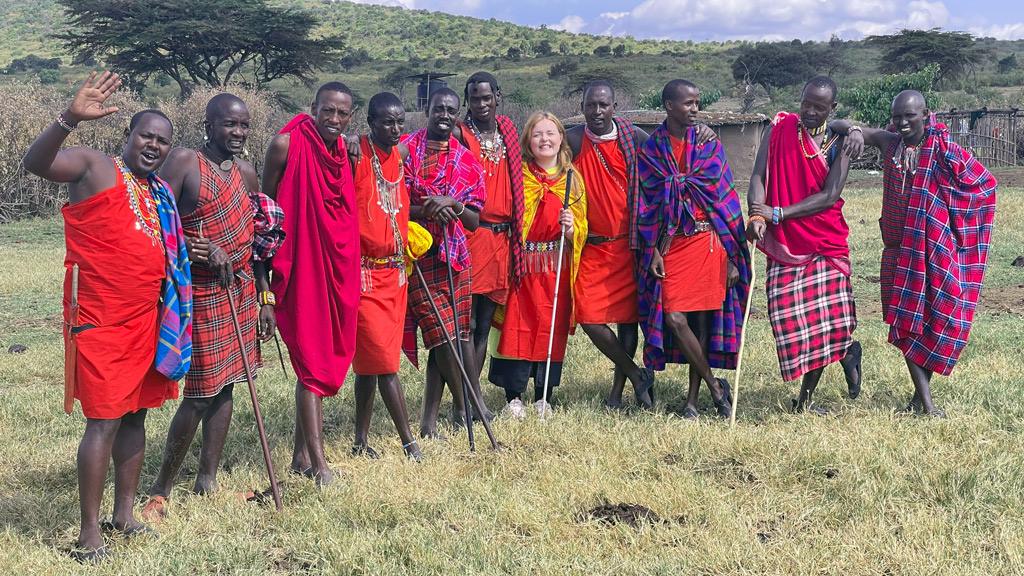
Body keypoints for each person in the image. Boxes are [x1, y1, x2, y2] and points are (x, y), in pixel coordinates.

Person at [23, 71, 191, 562]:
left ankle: (124, 515)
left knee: (136, 416)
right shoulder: (95, 167)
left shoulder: (157, 191)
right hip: (100, 322)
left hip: (148, 323)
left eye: (163, 141)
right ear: (127, 135)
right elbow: (36, 164)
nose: (154, 146)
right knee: (104, 422)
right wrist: (69, 118)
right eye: (146, 135)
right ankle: (89, 531)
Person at [142, 93, 283, 518]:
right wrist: (199, 249)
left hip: (240, 290)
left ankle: (207, 481)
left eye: (243, 126)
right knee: (201, 393)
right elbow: (155, 222)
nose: (238, 133)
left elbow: (258, 246)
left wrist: (265, 299)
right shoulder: (185, 162)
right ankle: (161, 487)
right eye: (229, 125)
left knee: (229, 384)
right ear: (209, 125)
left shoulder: (246, 173)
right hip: (200, 291)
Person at [834, 90, 997, 417]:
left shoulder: (944, 151)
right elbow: (840, 124)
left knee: (937, 320)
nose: (903, 122)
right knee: (908, 322)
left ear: (926, 114)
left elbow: (985, 185)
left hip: (935, 249)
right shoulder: (890, 142)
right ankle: (925, 401)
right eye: (897, 116)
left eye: (909, 115)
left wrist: (953, 225)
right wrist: (853, 131)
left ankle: (920, 395)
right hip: (897, 252)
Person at [262, 81, 360, 486]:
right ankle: (319, 465)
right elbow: (265, 207)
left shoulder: (343, 151)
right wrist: (264, 281)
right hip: (298, 264)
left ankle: (301, 457)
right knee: (310, 362)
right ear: (313, 109)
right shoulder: (285, 145)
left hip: (337, 265)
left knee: (320, 356)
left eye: (342, 114)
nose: (334, 120)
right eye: (328, 111)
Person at [635, 79, 751, 420]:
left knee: (702, 320)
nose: (695, 109)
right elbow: (646, 204)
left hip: (709, 241)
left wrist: (733, 256)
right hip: (672, 244)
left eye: (697, 103)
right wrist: (653, 250)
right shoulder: (653, 150)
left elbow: (724, 197)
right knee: (674, 317)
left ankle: (692, 401)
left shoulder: (707, 144)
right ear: (669, 106)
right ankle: (716, 386)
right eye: (688, 103)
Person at [746, 76, 862, 414]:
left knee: (825, 324)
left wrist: (777, 213)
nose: (810, 111)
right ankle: (848, 352)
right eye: (806, 103)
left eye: (819, 107)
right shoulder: (780, 128)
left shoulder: (842, 142)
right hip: (784, 243)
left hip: (824, 242)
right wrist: (756, 214)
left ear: (832, 109)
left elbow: (829, 196)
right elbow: (758, 175)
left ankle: (805, 401)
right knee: (791, 322)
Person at [489, 111, 588, 417]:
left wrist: (572, 227)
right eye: (537, 135)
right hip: (522, 265)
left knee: (550, 327)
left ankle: (544, 394)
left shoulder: (573, 178)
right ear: (528, 143)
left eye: (550, 133)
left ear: (561, 139)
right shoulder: (518, 177)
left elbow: (583, 224)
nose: (545, 140)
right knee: (516, 327)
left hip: (554, 266)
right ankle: (514, 396)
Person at [402, 88, 486, 438]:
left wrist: (452, 204)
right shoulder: (405, 149)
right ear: (428, 109)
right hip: (418, 254)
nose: (444, 116)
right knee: (442, 333)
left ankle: (428, 422)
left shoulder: (467, 160)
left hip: (453, 257)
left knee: (454, 333)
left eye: (451, 111)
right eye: (439, 109)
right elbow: (393, 200)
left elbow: (473, 220)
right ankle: (472, 403)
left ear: (458, 114)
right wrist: (426, 209)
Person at [565, 80, 653, 410]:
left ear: (614, 107)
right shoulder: (572, 140)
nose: (597, 111)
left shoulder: (635, 139)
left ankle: (617, 392)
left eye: (603, 105)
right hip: (592, 247)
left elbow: (664, 162)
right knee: (588, 317)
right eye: (591, 105)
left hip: (628, 247)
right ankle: (635, 373)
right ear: (583, 107)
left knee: (627, 321)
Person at [448, 71, 525, 422]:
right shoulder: (460, 134)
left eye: (486, 97)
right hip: (471, 237)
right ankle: (467, 402)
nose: (481, 104)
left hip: (502, 241)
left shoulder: (509, 133)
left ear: (498, 96)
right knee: (463, 325)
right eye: (474, 98)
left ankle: (469, 398)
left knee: (481, 325)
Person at [349, 92, 422, 460]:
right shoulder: (356, 153)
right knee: (384, 362)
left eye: (399, 122)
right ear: (370, 122)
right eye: (386, 122)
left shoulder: (402, 155)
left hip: (396, 274)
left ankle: (360, 441)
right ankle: (409, 440)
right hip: (364, 275)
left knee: (370, 364)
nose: (394, 129)